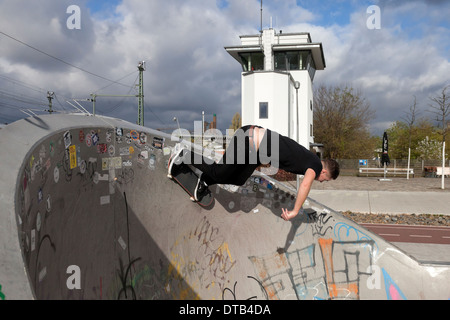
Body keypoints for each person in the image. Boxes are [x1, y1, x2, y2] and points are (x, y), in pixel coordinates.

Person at [168, 125, 339, 221]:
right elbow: (306, 184)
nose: (321, 181)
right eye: (324, 179)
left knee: (239, 178)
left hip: (255, 152)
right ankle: (184, 155)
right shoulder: (315, 165)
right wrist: (295, 210)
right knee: (220, 173)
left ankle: (204, 180)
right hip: (249, 141)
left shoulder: (309, 159)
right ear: (324, 171)